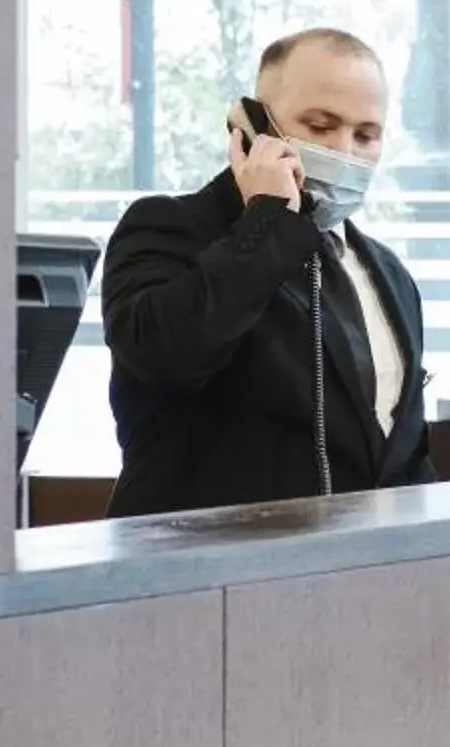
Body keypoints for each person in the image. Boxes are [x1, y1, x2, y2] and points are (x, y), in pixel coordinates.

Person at [101, 27, 432, 516]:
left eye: (366, 135)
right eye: (320, 126)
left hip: (358, 575)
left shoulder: (388, 272)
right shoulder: (167, 228)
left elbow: (402, 451)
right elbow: (167, 356)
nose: (345, 150)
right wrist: (265, 220)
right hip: (203, 575)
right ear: (254, 126)